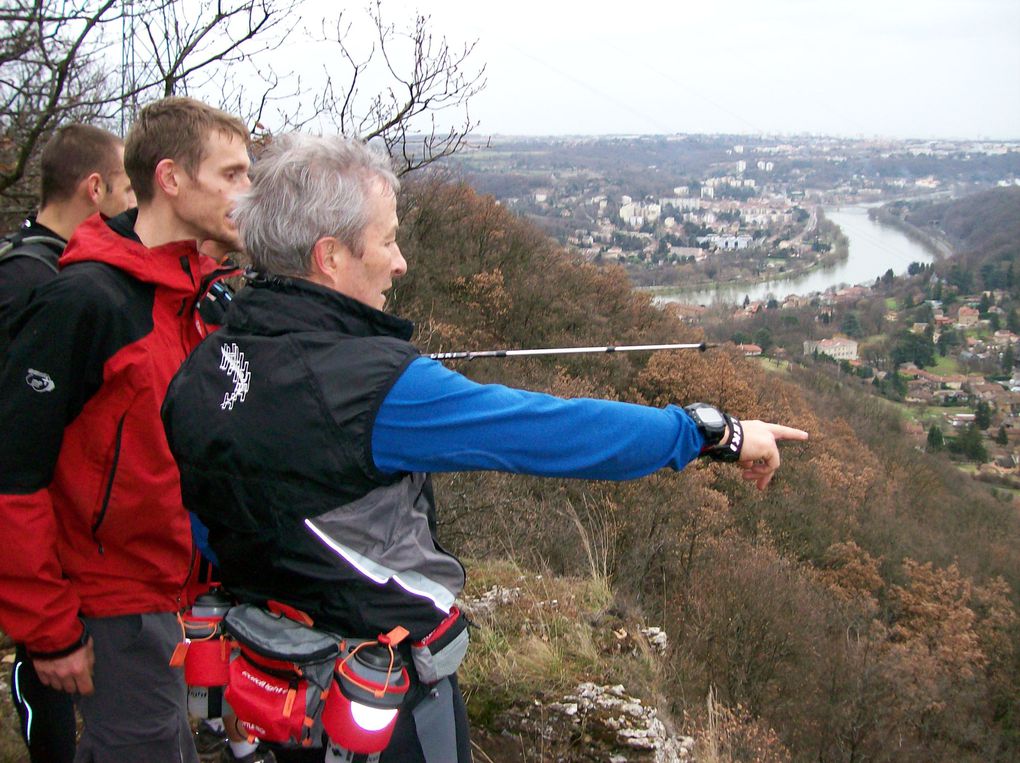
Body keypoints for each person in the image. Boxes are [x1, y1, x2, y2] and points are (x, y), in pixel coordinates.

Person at [160, 133, 809, 762]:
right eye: (387, 240)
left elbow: (209, 526)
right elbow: (552, 432)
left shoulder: (203, 367)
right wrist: (709, 432)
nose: (400, 260)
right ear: (330, 256)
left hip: (267, 675)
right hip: (380, 700)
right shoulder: (376, 391)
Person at [0, 96, 251, 762]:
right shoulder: (86, 300)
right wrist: (47, 625)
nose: (246, 193)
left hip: (176, 598)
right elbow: (12, 470)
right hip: (110, 607)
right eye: (232, 174)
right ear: (170, 178)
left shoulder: (197, 298)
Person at [1, 122, 134, 763]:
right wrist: (43, 617)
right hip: (45, 552)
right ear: (95, 187)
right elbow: (17, 454)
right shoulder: (40, 287)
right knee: (57, 701)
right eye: (128, 186)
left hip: (67, 551)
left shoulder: (35, 269)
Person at [0, 123, 135, 359]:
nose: (133, 204)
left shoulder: (17, 256)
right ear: (95, 188)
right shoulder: (33, 279)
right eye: (128, 190)